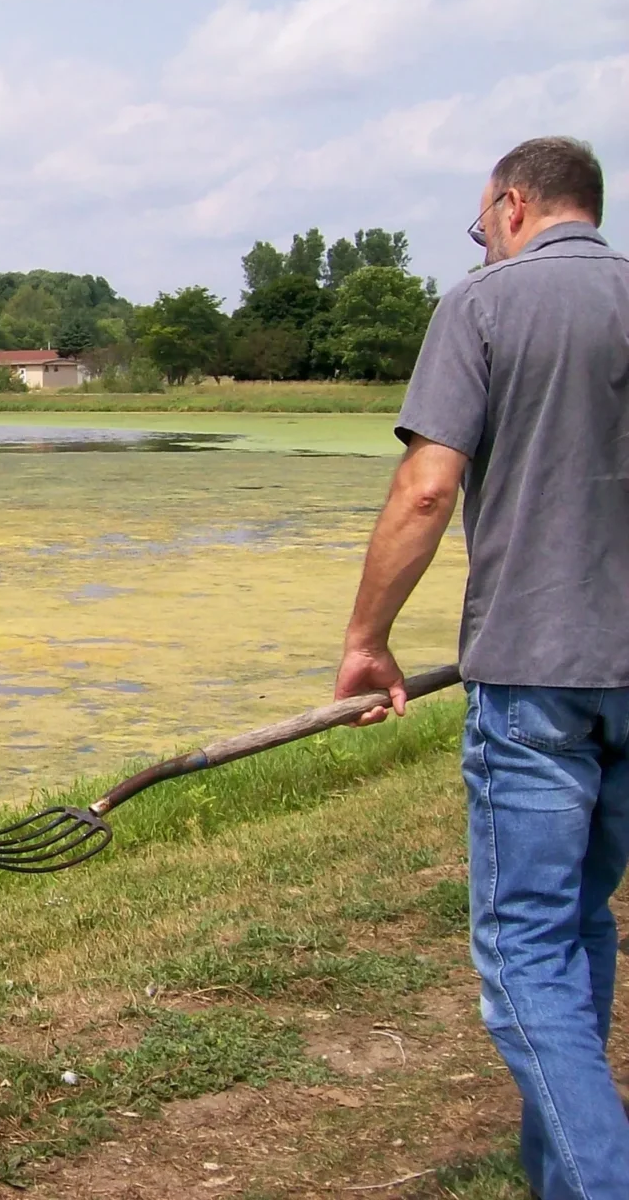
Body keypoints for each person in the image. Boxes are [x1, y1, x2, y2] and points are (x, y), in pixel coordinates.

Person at [335, 135, 628, 1199]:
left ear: (511, 205)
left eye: (480, 227)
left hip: (536, 676)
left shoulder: (485, 306)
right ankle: (562, 1173)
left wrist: (367, 642)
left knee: (522, 959)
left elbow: (426, 488)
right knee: (582, 923)